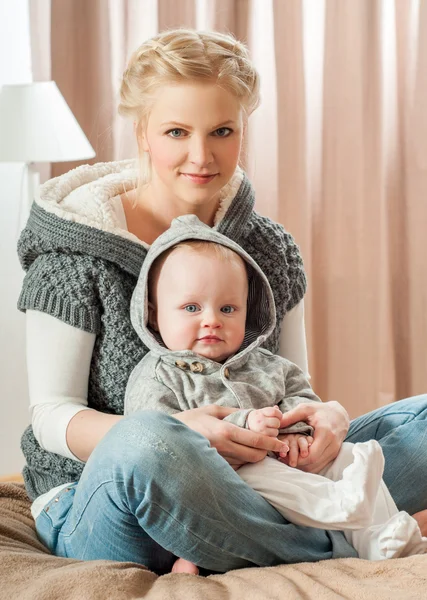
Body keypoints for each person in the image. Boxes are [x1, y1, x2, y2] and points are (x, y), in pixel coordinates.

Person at [17, 28, 427, 576]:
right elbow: (50, 417)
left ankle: (249, 533)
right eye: (176, 131)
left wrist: (327, 416)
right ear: (143, 132)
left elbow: (290, 383)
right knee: (149, 441)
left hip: (264, 478)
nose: (200, 155)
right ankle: (334, 542)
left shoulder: (269, 250)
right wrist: (186, 436)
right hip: (111, 496)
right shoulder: (71, 257)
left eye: (222, 131)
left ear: (243, 130)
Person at [124, 214, 427, 573]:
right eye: (192, 308)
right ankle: (338, 514)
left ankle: (376, 535)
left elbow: (301, 396)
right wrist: (244, 423)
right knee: (264, 475)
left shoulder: (265, 364)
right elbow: (151, 442)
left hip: (289, 461)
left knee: (348, 457)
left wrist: (300, 432)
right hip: (225, 481)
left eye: (227, 309)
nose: (212, 320)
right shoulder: (157, 376)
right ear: (154, 315)